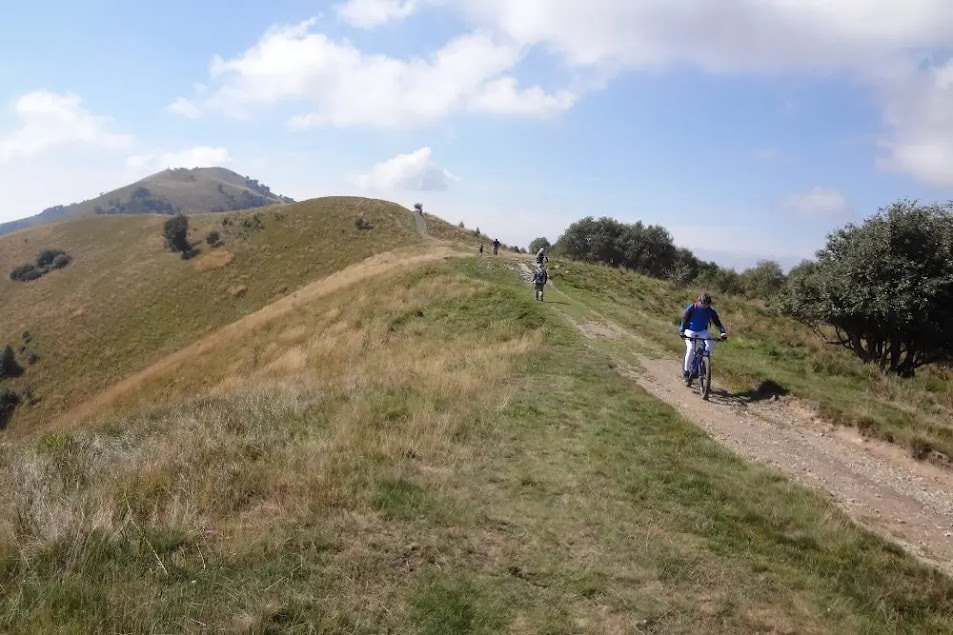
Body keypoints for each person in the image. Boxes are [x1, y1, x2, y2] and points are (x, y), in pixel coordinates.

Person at [678, 293, 727, 383]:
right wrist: (682, 331)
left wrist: (723, 332)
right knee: (691, 348)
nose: (705, 306)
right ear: (699, 301)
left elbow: (717, 323)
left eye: (707, 304)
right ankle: (686, 372)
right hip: (690, 330)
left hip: (702, 331)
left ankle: (703, 360)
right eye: (703, 303)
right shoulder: (692, 307)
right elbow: (684, 318)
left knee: (710, 344)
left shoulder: (711, 311)